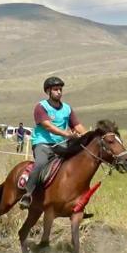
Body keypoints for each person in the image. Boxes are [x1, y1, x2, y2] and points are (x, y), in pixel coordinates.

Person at [19, 76, 87, 209]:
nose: (59, 92)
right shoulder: (41, 107)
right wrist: (66, 134)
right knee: (40, 164)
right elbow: (47, 126)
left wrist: (90, 136)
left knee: (77, 164)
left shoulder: (67, 108)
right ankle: (28, 194)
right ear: (48, 91)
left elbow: (77, 126)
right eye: (56, 89)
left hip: (61, 145)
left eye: (60, 89)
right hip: (43, 143)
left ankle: (76, 199)